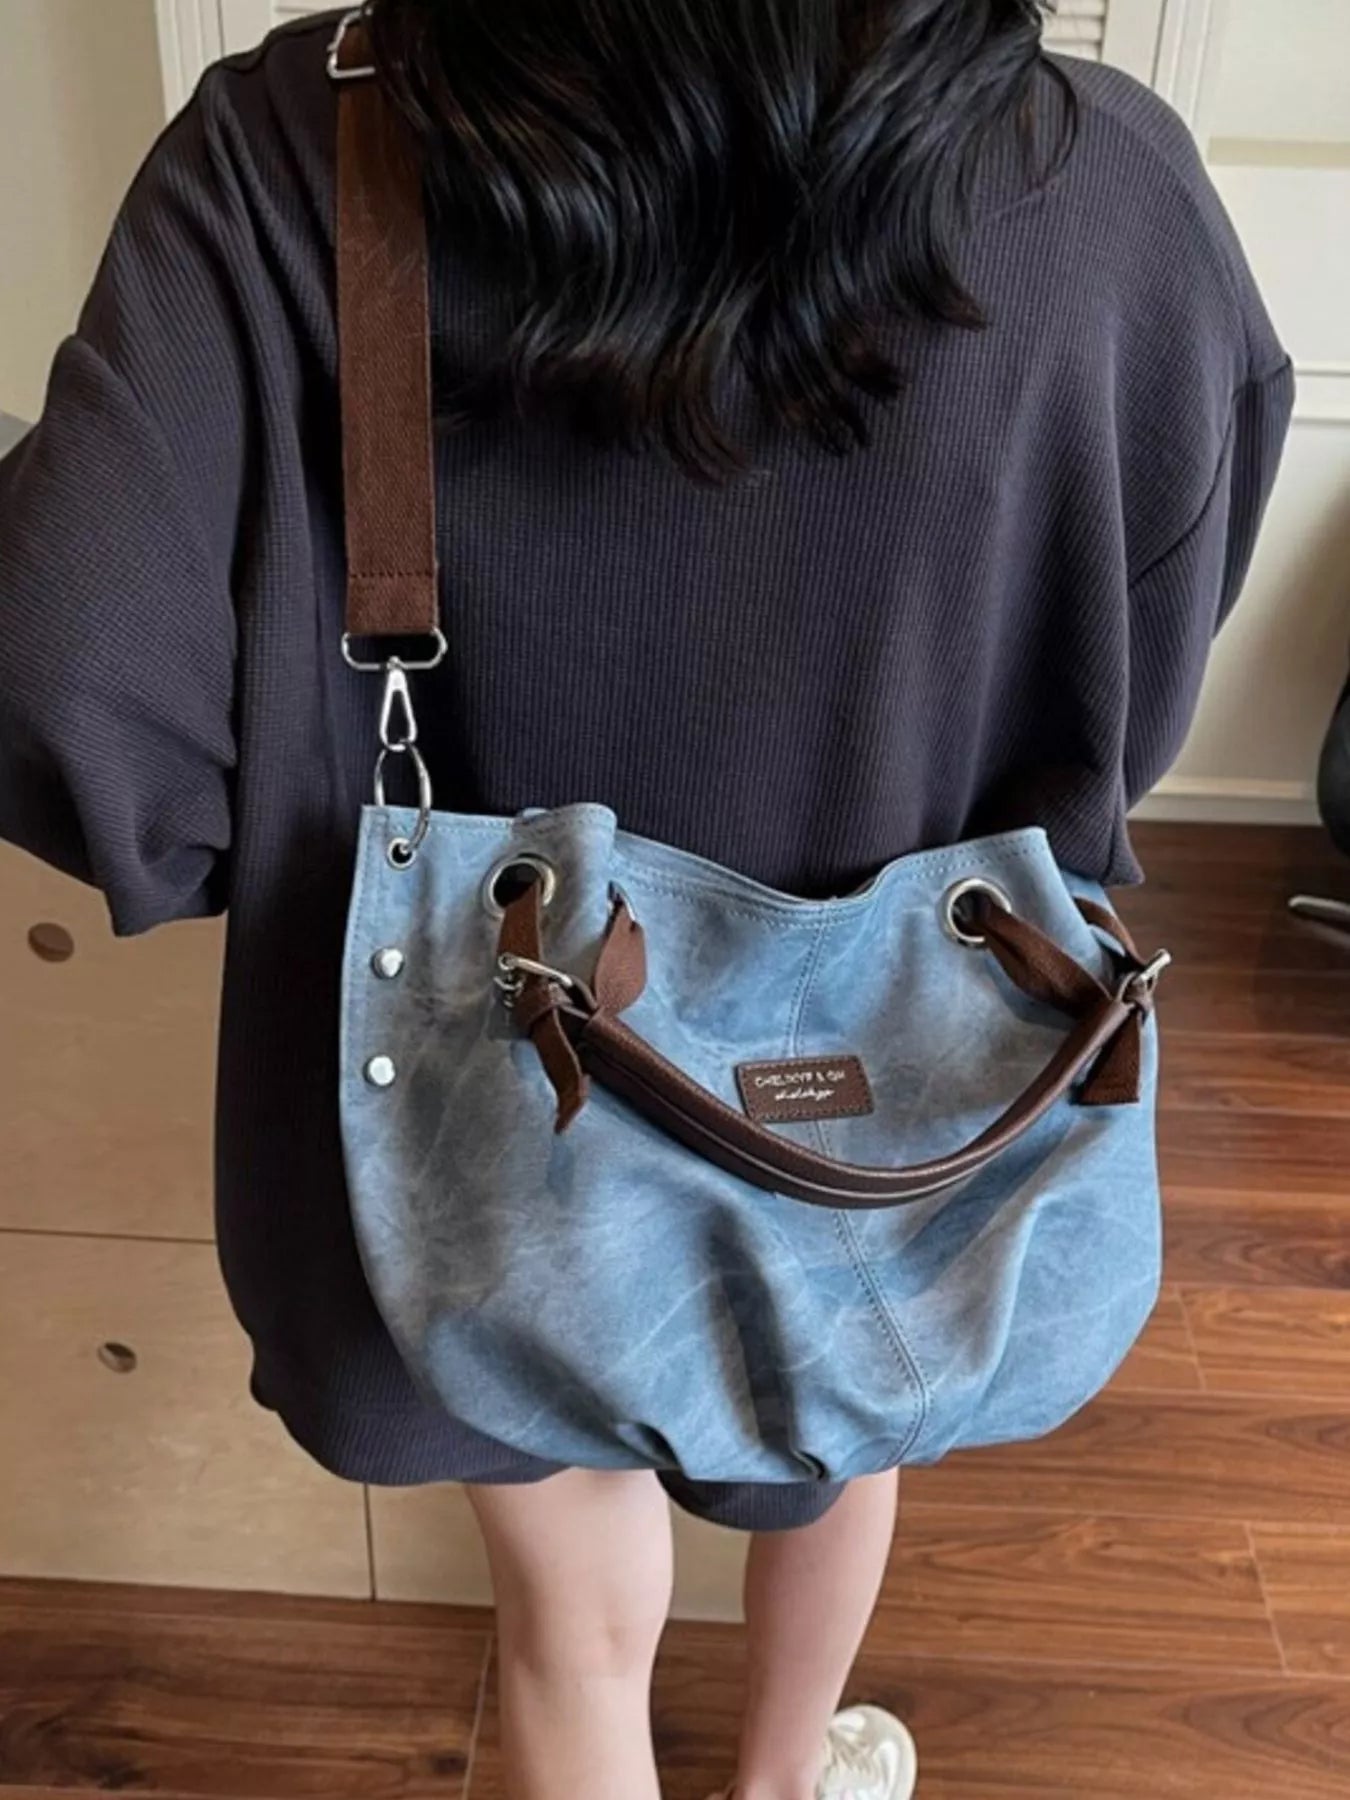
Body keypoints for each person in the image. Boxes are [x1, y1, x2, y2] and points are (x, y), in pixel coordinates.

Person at [0, 3, 1292, 1797]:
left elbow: (68, 681)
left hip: (460, 1137)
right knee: (836, 1427)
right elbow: (1132, 680)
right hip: (884, 1119)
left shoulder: (297, 147)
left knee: (569, 1623)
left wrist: (292, 834)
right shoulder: (1101, 185)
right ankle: (783, 1776)